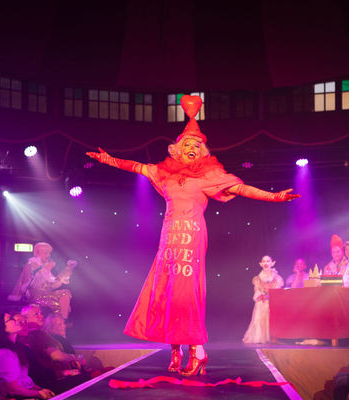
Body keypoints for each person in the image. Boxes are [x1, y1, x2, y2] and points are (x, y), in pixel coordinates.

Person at [86, 95, 300, 376]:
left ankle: (197, 350)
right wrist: (109, 160)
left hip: (192, 238)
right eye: (186, 144)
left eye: (196, 145)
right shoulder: (164, 173)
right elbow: (136, 166)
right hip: (168, 239)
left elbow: (242, 188)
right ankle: (176, 349)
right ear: (177, 149)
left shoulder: (209, 175)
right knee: (168, 291)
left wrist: (273, 197)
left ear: (201, 151)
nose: (192, 148)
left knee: (187, 293)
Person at [0, 312, 54, 399]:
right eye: (10, 319)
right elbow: (12, 389)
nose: (16, 321)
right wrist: (37, 393)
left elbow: (24, 379)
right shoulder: (3, 354)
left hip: (28, 392)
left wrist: (39, 389)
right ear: (2, 328)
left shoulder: (16, 349)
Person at [9, 242, 77, 319]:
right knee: (55, 303)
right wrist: (47, 269)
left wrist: (65, 273)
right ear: (38, 253)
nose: (48, 255)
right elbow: (33, 283)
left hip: (46, 294)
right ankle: (57, 322)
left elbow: (52, 284)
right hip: (35, 295)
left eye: (49, 253)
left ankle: (62, 320)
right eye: (46, 253)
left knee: (65, 293)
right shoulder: (31, 264)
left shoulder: (45, 266)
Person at [242, 255, 285, 344]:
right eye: (264, 261)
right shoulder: (258, 278)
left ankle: (273, 337)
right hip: (261, 302)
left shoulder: (276, 277)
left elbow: (278, 291)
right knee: (259, 319)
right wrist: (260, 296)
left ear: (272, 263)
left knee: (271, 319)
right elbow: (257, 290)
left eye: (268, 261)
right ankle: (260, 337)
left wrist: (270, 296)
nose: (266, 263)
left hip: (272, 302)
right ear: (261, 264)